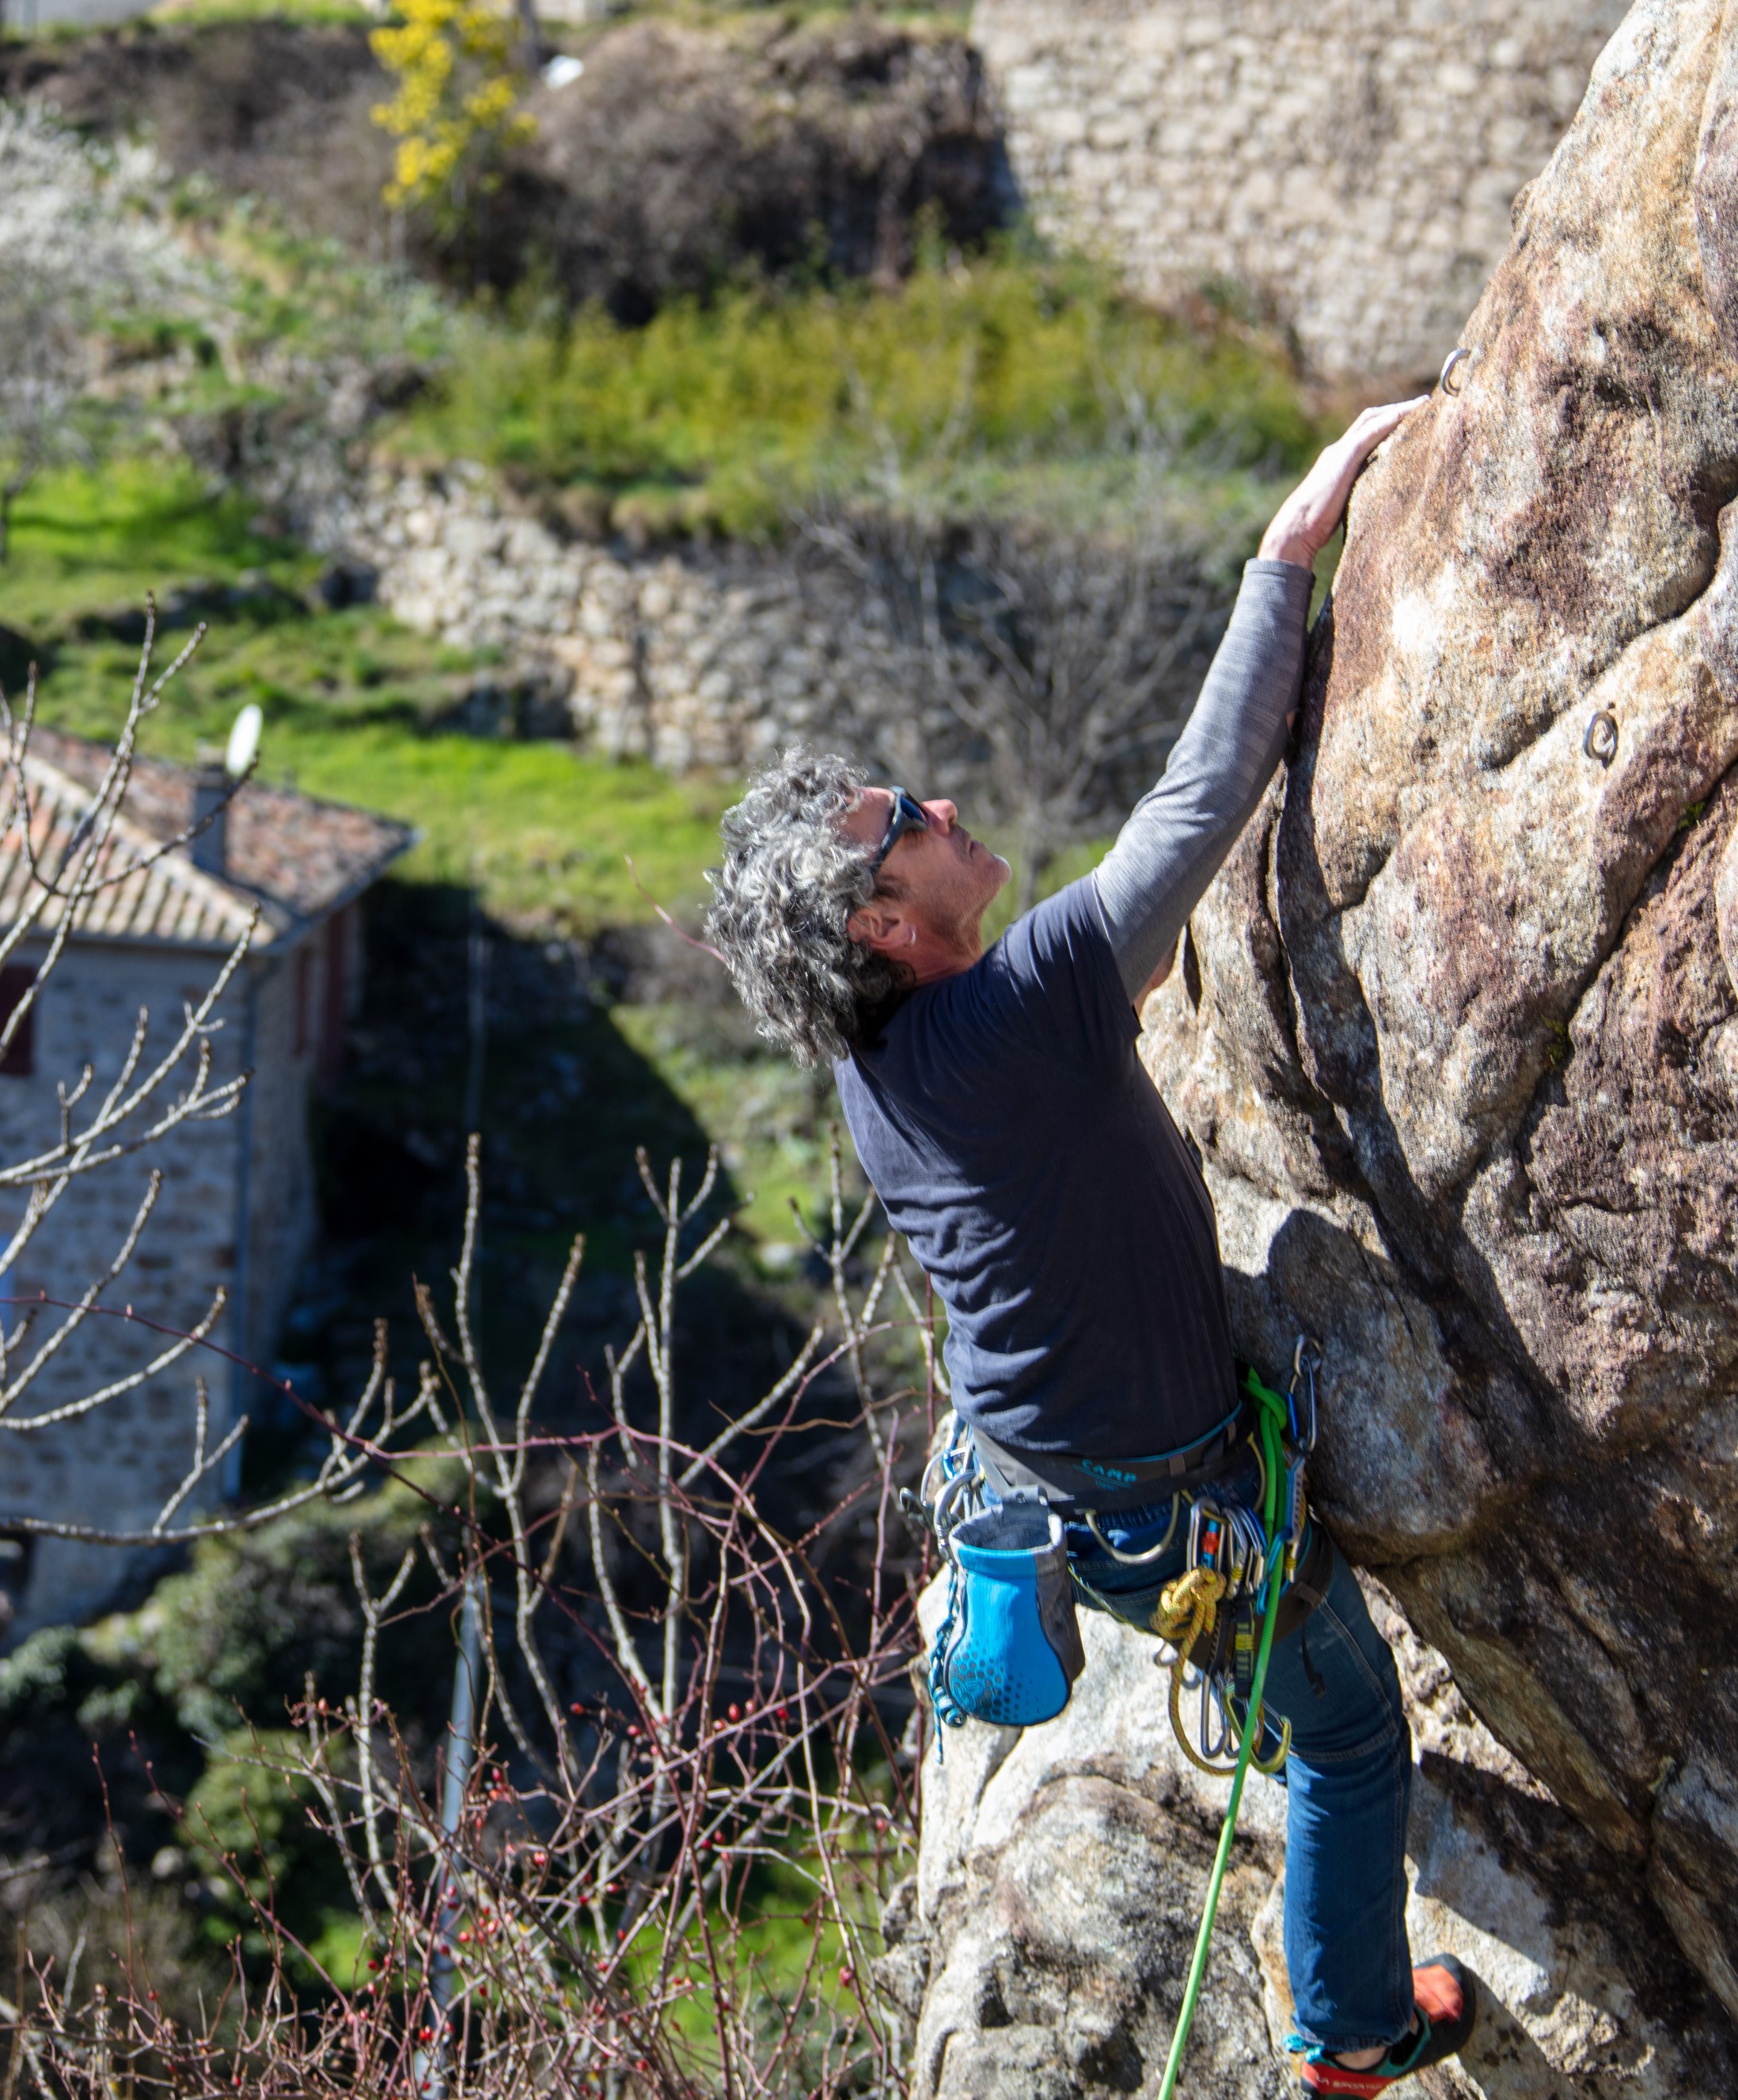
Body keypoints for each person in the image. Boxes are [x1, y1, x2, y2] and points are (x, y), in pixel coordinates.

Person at [704, 399, 1477, 2096]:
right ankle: (1348, 2032)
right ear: (884, 928)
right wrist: (1285, 555)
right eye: (900, 814)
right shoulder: (1031, 1003)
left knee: (1282, 1690)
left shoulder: (873, 1074)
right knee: (1346, 1732)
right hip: (1146, 1488)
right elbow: (1199, 801)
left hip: (1044, 1471)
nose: (940, 797)